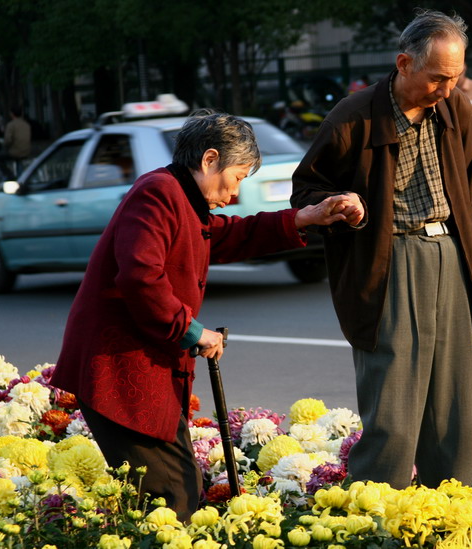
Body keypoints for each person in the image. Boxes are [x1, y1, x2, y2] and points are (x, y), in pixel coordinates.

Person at [51, 110, 360, 521]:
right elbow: (141, 277)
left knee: (178, 488)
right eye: (237, 177)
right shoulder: (158, 193)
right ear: (210, 159)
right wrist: (193, 331)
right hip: (119, 371)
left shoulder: (181, 197)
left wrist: (305, 217)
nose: (234, 194)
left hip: (146, 370)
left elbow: (225, 235)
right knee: (171, 495)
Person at [291, 9, 472, 488]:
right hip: (388, 260)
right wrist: (337, 204)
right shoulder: (354, 117)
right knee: (393, 402)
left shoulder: (456, 108)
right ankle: (376, 514)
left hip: (448, 252)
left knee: (453, 402)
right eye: (438, 78)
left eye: (457, 78)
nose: (448, 89)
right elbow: (305, 188)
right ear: (404, 63)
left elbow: (467, 189)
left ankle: (452, 509)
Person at [0, 105, 31, 178]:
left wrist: (4, 143)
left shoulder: (11, 125)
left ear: (12, 114)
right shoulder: (26, 124)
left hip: (15, 152)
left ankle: (10, 176)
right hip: (26, 151)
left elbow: (8, 140)